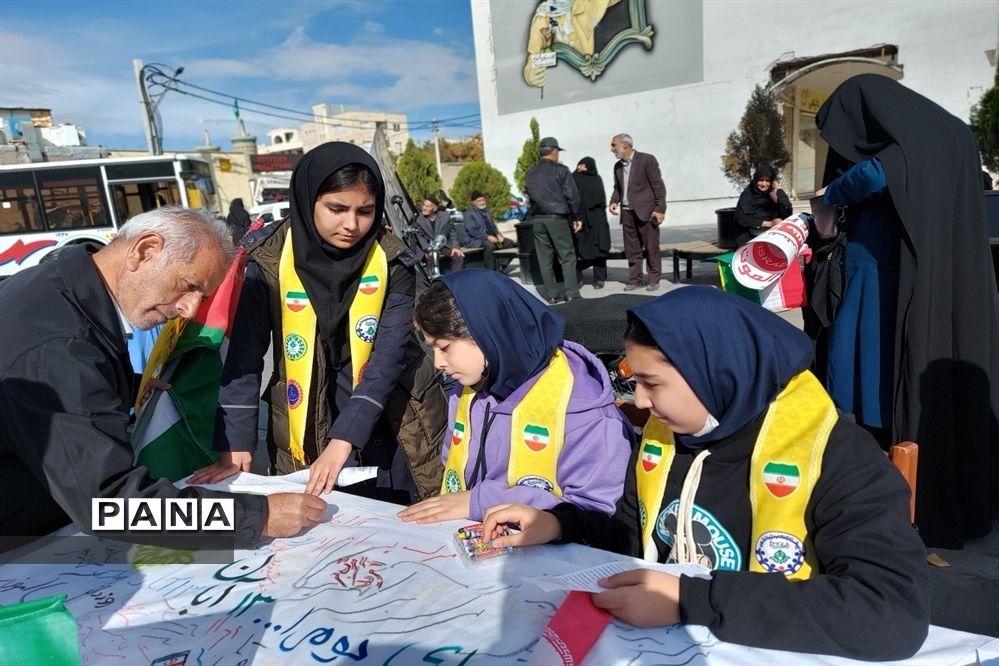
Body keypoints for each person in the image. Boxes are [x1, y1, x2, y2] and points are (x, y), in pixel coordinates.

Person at [482, 286, 930, 661]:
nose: (639, 402)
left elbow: (892, 614)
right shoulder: (669, 435)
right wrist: (561, 523)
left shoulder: (833, 454)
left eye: (651, 383)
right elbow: (633, 531)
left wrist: (688, 601)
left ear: (716, 373)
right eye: (632, 381)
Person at [0, 207, 325, 546]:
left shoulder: (56, 283)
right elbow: (108, 504)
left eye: (202, 297)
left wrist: (124, 385)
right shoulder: (59, 346)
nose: (187, 309)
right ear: (145, 250)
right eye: (188, 286)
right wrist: (258, 516)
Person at [190, 142, 447, 503]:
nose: (352, 225)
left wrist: (345, 439)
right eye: (337, 208)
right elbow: (245, 356)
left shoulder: (392, 263)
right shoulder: (267, 261)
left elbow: (388, 357)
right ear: (308, 199)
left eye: (365, 211)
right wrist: (235, 441)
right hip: (304, 412)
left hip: (389, 413)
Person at [813, 74, 999, 548]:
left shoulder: (902, 151)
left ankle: (878, 472)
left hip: (884, 271)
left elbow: (875, 175)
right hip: (943, 275)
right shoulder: (952, 133)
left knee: (865, 370)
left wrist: (830, 196)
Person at [398, 270, 632, 524]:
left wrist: (481, 500)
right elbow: (452, 461)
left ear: (487, 334)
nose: (438, 363)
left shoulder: (585, 412)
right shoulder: (470, 388)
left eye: (444, 348)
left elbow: (596, 515)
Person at [525, 136, 583, 304]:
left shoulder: (530, 173)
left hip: (537, 218)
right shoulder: (561, 170)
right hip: (557, 217)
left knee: (544, 258)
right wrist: (576, 216)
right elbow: (572, 195)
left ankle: (552, 294)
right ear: (555, 152)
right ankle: (572, 292)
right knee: (567, 256)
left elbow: (529, 195)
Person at [609, 133, 667, 291]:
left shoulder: (647, 160)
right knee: (632, 250)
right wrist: (613, 201)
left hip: (647, 212)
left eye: (614, 145)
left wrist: (660, 209)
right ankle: (635, 280)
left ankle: (654, 279)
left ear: (625, 145)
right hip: (627, 213)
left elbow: (658, 185)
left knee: (651, 248)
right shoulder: (618, 166)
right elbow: (618, 188)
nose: (611, 149)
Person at [523, 0, 621, 87]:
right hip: (563, 85)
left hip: (592, 81)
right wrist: (531, 74)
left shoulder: (585, 3)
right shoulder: (544, 16)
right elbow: (534, 56)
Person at [572, 157, 611, 288]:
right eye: (579, 165)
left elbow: (601, 198)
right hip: (581, 218)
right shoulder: (574, 178)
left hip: (597, 218)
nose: (580, 167)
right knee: (580, 249)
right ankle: (577, 278)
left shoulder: (597, 178)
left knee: (599, 248)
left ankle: (599, 279)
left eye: (583, 165)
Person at [732, 165, 793, 246]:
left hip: (775, 234)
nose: (764, 184)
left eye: (768, 181)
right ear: (756, 180)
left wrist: (775, 198)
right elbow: (741, 219)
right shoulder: (747, 195)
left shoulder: (778, 193)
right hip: (751, 234)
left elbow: (787, 213)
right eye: (761, 180)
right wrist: (769, 223)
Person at [462, 190, 516, 272]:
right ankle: (490, 271)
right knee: (490, 246)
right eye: (479, 201)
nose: (482, 203)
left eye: (483, 200)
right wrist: (487, 237)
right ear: (473, 202)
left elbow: (493, 226)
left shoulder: (487, 212)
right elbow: (472, 231)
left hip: (491, 238)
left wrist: (498, 234)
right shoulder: (468, 214)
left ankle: (500, 268)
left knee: (509, 243)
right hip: (475, 240)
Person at [412, 196, 464, 273]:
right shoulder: (419, 219)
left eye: (428, 206)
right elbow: (419, 236)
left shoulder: (445, 216)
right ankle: (436, 281)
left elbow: (452, 232)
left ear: (435, 208)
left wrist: (455, 247)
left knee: (458, 257)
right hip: (430, 246)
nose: (424, 208)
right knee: (431, 259)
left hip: (444, 245)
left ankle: (455, 279)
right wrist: (427, 249)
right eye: (423, 205)